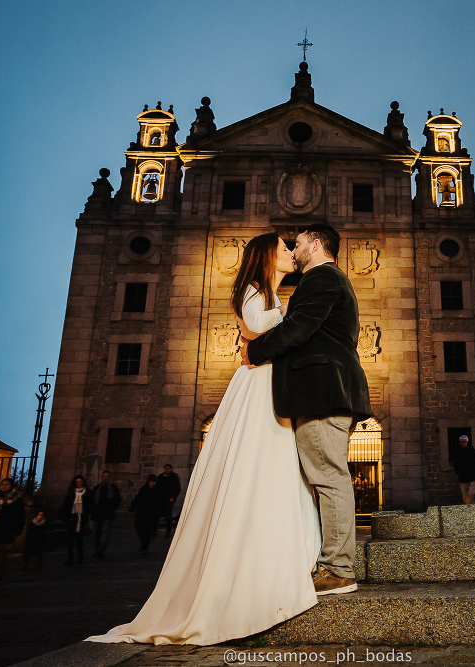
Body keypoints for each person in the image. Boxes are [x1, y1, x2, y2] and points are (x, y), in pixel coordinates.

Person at [86, 231, 321, 645]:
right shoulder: (253, 290)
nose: (291, 253)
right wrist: (290, 318)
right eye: (285, 248)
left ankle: (278, 560)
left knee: (276, 470)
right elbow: (253, 324)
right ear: (268, 254)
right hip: (257, 387)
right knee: (259, 465)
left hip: (268, 381)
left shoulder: (269, 292)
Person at [244, 223, 372, 596]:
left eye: (297, 244)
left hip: (322, 390)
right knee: (325, 476)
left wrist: (252, 352)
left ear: (315, 245)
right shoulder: (330, 280)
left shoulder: (321, 279)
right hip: (326, 389)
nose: (293, 250)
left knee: (329, 477)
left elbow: (299, 329)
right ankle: (330, 561)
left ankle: (338, 569)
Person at [59, 475, 93, 566]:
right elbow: (66, 505)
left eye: (80, 482)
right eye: (77, 482)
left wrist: (85, 514)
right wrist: (65, 517)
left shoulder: (87, 493)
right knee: (70, 539)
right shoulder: (71, 493)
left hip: (81, 518)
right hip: (71, 518)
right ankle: (70, 558)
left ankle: (80, 558)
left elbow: (91, 505)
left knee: (79, 539)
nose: (79, 483)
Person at [91, 470, 121, 558]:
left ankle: (101, 550)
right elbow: (92, 500)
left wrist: (112, 508)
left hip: (108, 514)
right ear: (102, 477)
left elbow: (117, 500)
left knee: (105, 533)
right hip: (97, 514)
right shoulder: (96, 488)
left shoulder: (113, 488)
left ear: (109, 477)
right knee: (97, 533)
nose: (105, 477)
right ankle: (97, 549)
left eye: (107, 476)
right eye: (104, 476)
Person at [130, 474, 163, 553]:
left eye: (153, 482)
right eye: (150, 482)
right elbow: (137, 499)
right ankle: (143, 542)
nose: (151, 484)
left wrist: (161, 514)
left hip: (152, 514)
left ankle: (145, 547)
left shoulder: (158, 490)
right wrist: (132, 508)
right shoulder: (144, 489)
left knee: (147, 531)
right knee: (138, 527)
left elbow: (161, 502)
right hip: (142, 512)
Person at [452, 434, 475, 504]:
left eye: (464, 442)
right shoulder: (458, 454)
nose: (462, 444)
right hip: (463, 478)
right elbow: (456, 465)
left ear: (467, 442)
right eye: (461, 442)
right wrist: (459, 473)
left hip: (473, 478)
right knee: (465, 498)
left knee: (471, 495)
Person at [155, 464, 181, 538]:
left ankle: (168, 532)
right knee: (157, 515)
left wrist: (173, 497)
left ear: (171, 469)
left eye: (168, 468)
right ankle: (154, 531)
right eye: (165, 468)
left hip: (169, 500)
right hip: (161, 499)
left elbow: (177, 488)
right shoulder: (160, 477)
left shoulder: (174, 477)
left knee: (169, 515)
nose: (166, 470)